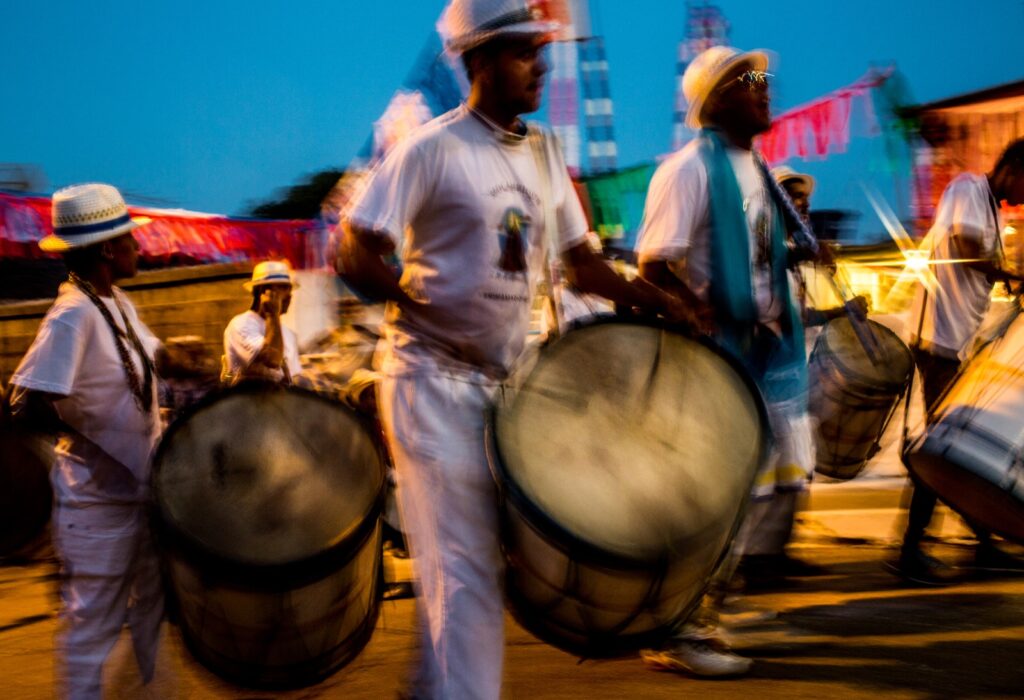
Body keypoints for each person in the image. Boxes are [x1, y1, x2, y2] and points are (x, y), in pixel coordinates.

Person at [338, 1, 686, 696]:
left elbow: (581, 264)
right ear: (480, 61)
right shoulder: (431, 148)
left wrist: (663, 301)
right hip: (427, 380)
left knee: (467, 566)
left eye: (541, 50)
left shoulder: (544, 151)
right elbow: (355, 248)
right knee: (465, 569)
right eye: (525, 52)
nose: (542, 65)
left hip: (497, 383)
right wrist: (417, 305)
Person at [634, 45, 824, 677]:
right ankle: (678, 627)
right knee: (706, 498)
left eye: (764, 77)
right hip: (715, 360)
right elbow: (653, 264)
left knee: (739, 496)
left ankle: (697, 615)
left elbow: (762, 255)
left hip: (763, 353)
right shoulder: (688, 170)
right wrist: (694, 307)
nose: (765, 87)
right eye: (749, 80)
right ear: (713, 99)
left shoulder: (759, 171)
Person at [6, 183, 167, 699]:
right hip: (96, 508)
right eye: (129, 240)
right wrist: (97, 442)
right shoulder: (72, 314)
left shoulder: (117, 303)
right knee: (92, 635)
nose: (138, 247)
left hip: (139, 498)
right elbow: (25, 402)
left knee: (150, 619)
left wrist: (185, 362)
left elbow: (153, 362)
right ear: (107, 250)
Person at [891, 138, 1024, 586]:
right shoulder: (967, 188)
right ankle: (909, 550)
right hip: (937, 342)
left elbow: (977, 262)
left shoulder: (995, 211)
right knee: (943, 445)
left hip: (958, 344)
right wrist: (1009, 274)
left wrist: (1006, 281)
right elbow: (962, 244)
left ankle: (981, 546)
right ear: (1013, 168)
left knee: (958, 446)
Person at [222, 260, 303, 385]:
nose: (289, 296)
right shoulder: (241, 324)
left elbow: (294, 378)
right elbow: (272, 360)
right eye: (283, 288)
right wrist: (272, 314)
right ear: (263, 292)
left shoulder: (288, 333)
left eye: (289, 289)